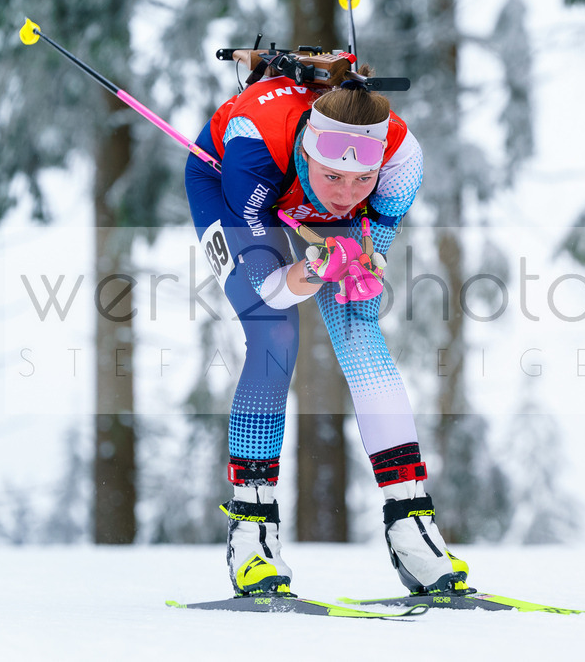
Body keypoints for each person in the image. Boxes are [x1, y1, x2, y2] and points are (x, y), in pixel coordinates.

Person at [184, 52, 467, 597]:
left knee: (358, 323)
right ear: (309, 150)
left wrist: (358, 262)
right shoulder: (253, 149)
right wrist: (314, 266)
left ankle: (410, 522)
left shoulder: (401, 161)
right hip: (229, 184)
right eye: (334, 175)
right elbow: (270, 286)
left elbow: (360, 273)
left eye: (363, 178)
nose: (345, 192)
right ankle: (252, 534)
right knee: (274, 334)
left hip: (299, 183)